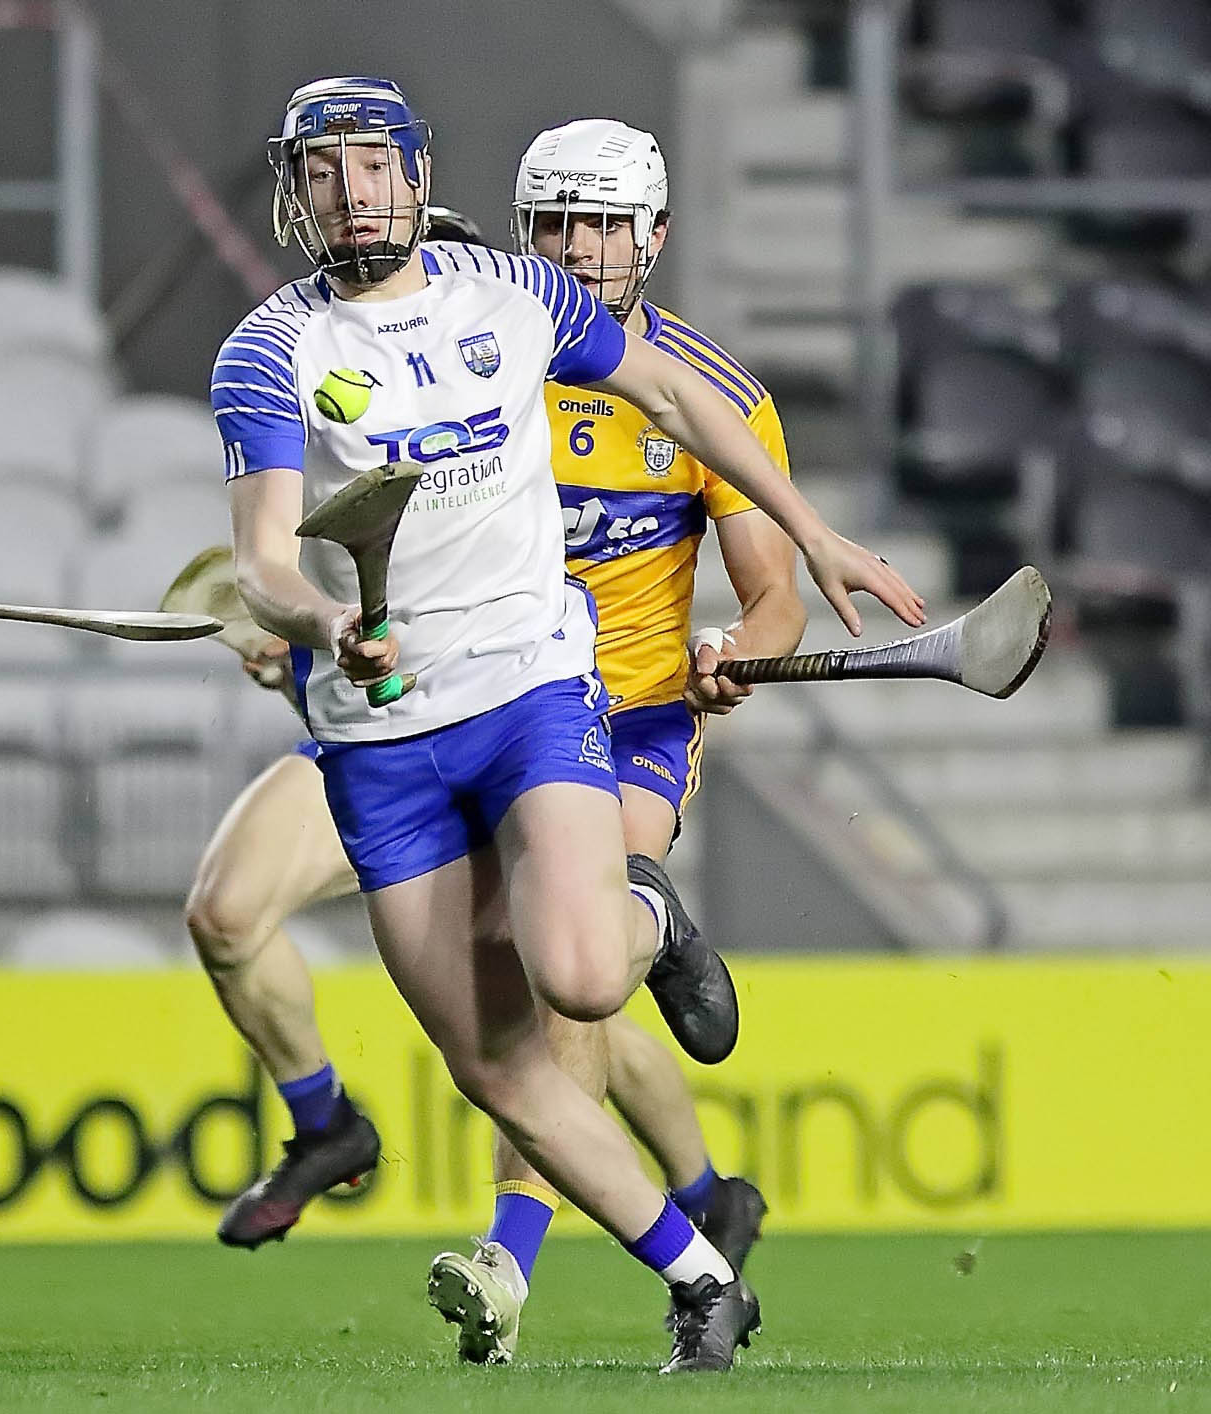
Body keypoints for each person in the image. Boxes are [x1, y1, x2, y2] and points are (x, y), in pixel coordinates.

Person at [213, 77, 923, 1373]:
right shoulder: (266, 351)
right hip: (379, 742)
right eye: (323, 172)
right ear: (294, 193)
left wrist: (813, 532)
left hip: (535, 695)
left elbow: (682, 401)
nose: (351, 193)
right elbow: (261, 556)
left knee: (586, 979)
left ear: (416, 175)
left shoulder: (514, 296)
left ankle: (649, 923)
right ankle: (703, 1275)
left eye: (372, 165)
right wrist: (317, 621)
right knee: (497, 1064)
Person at [426, 117, 799, 1364]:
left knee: (558, 967)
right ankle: (701, 1200)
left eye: (604, 224)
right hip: (481, 707)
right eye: (554, 224)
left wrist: (735, 644)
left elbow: (775, 594)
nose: (579, 248)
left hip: (630, 717)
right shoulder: (471, 368)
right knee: (558, 977)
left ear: (654, 236)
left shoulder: (713, 395)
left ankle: (507, 1264)